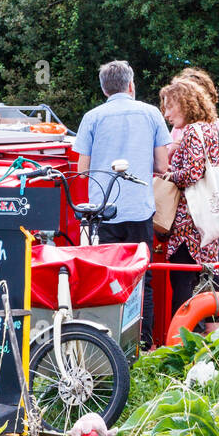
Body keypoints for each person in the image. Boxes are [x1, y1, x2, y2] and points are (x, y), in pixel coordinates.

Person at [72, 60, 170, 345]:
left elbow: (81, 168)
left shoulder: (92, 117)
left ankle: (109, 343)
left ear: (104, 90)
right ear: (131, 85)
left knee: (107, 278)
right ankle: (145, 342)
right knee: (143, 278)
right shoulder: (152, 113)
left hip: (103, 212)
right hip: (139, 210)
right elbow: (162, 166)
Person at [158, 79, 219, 313]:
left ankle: (177, 339)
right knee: (206, 280)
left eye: (170, 106)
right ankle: (212, 334)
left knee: (181, 280)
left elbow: (193, 173)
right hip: (207, 219)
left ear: (185, 103)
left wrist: (168, 175)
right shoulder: (212, 129)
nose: (167, 114)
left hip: (188, 225)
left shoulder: (191, 132)